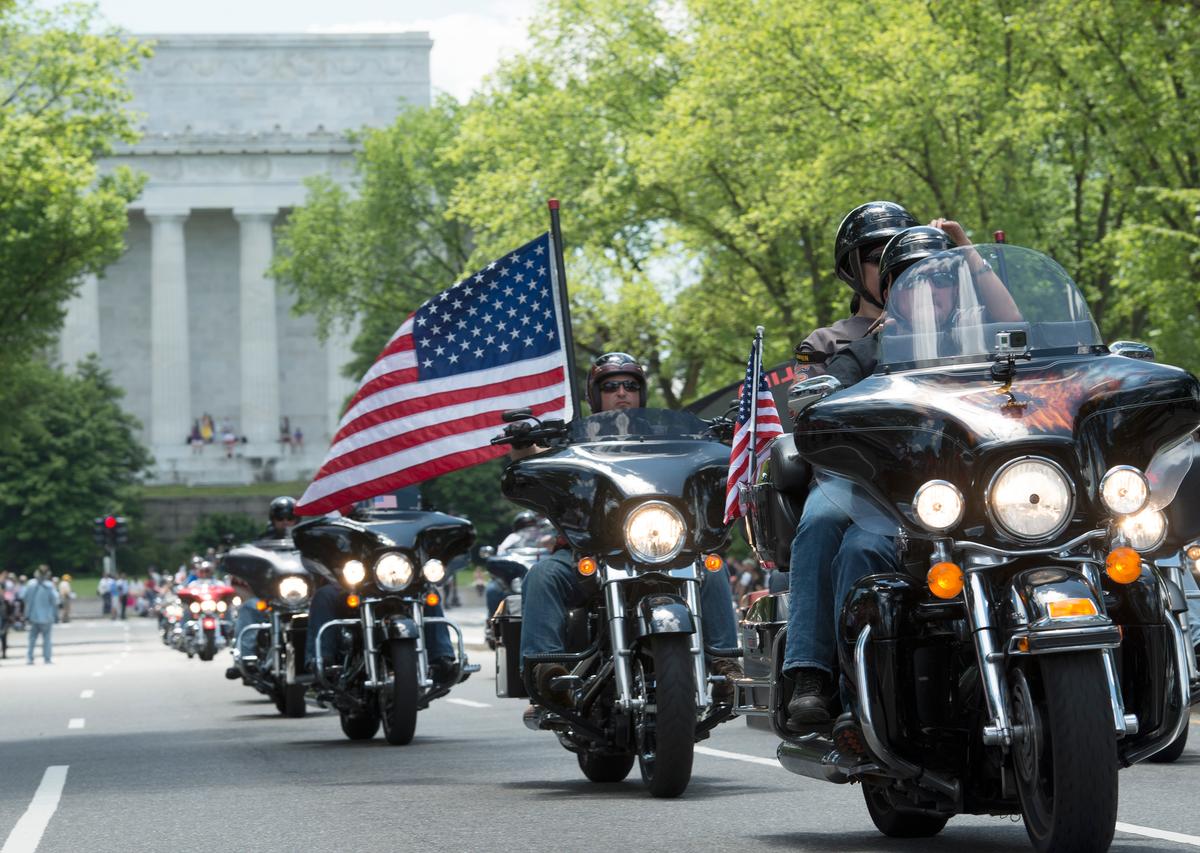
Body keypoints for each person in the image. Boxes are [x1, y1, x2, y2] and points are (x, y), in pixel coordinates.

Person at [518, 351, 743, 708]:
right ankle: (547, 669)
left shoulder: (670, 438)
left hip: (661, 543)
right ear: (595, 395)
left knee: (711, 567)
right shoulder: (570, 442)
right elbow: (533, 458)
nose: (621, 392)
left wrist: (726, 435)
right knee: (543, 575)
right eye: (610, 386)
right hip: (586, 551)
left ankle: (725, 662)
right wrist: (525, 446)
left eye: (630, 385)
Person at [23, 567, 60, 665]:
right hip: (47, 616)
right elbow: (55, 601)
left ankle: (30, 658)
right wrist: (56, 615)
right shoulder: (49, 586)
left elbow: (25, 598)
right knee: (47, 639)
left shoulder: (30, 584)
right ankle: (47, 658)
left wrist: (26, 614)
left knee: (32, 639)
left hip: (33, 616)